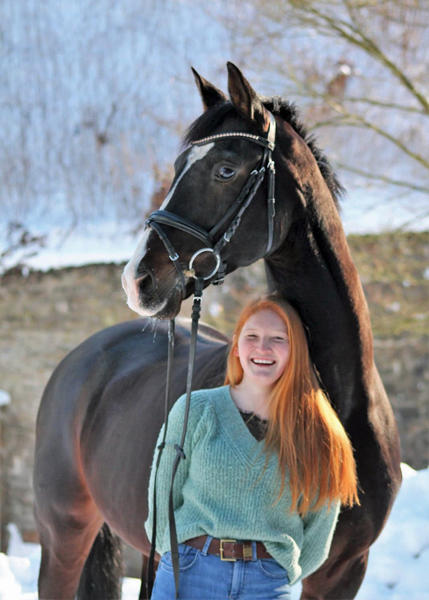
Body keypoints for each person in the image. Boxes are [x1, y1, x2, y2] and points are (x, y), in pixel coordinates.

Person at [145, 295, 359, 599]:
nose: (263, 348)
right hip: (190, 573)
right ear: (236, 345)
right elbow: (161, 495)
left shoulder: (319, 431)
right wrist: (175, 556)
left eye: (278, 339)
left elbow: (319, 530)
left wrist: (281, 570)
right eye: (252, 336)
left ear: (295, 350)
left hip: (267, 583)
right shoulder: (195, 410)